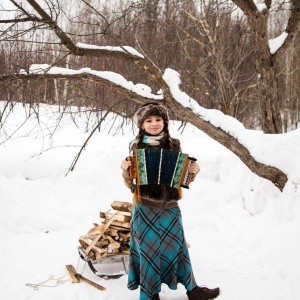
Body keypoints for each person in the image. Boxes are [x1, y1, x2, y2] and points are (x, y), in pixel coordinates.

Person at [121, 102, 220, 300]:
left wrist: (192, 172)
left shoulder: (174, 145)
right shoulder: (135, 146)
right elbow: (130, 182)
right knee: (148, 252)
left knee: (178, 248)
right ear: (141, 125)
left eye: (158, 119)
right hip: (145, 208)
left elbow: (182, 177)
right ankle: (150, 294)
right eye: (148, 120)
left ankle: (193, 290)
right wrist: (125, 169)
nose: (154, 124)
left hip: (170, 207)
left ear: (165, 122)